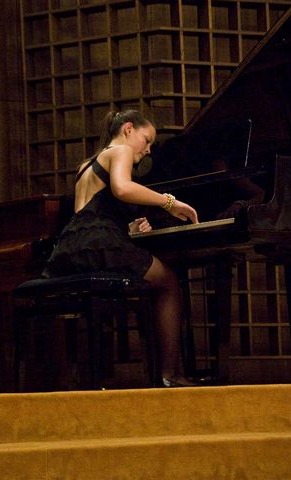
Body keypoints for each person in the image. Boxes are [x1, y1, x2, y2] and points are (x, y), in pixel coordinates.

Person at [43, 109, 199, 387]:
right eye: (147, 140)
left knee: (151, 278)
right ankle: (169, 375)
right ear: (128, 129)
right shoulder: (121, 150)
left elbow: (88, 215)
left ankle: (75, 377)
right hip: (99, 245)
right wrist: (170, 203)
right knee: (169, 282)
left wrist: (126, 230)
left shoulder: (86, 165)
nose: (148, 150)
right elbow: (123, 188)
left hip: (71, 247)